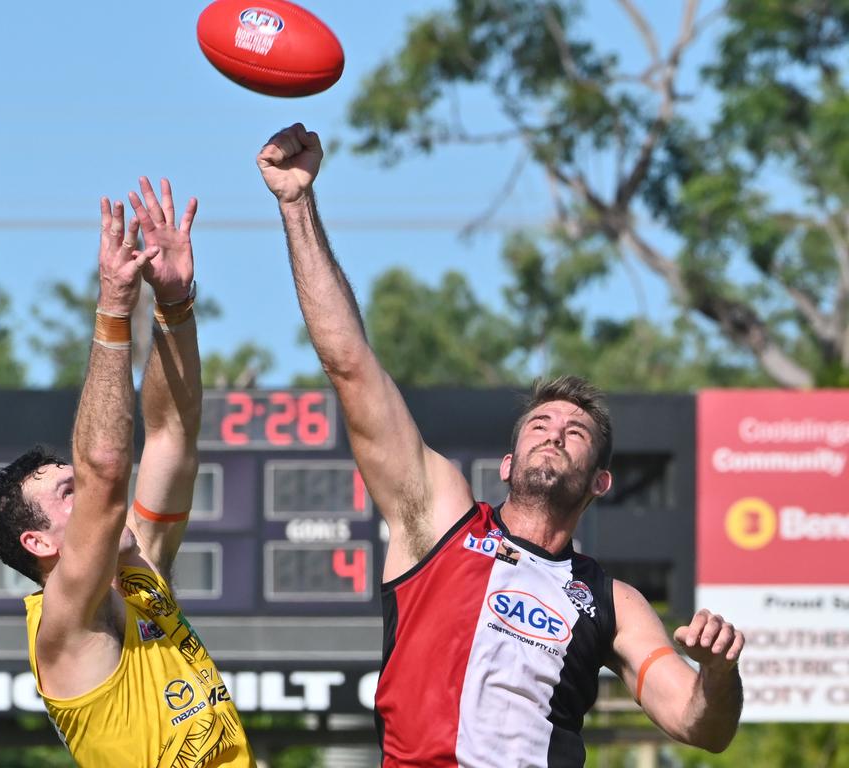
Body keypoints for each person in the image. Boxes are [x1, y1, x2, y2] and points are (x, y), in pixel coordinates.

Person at [257, 123, 745, 767]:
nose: (555, 433)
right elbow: (349, 363)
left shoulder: (611, 602)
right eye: (539, 425)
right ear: (509, 462)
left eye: (575, 434)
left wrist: (717, 673)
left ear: (599, 480)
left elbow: (700, 724)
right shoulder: (440, 524)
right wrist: (297, 205)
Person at [0, 178, 255, 768]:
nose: (96, 493)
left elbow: (173, 433)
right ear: (39, 542)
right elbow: (104, 467)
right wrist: (113, 309)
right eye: (65, 491)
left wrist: (174, 305)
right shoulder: (66, 620)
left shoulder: (139, 567)